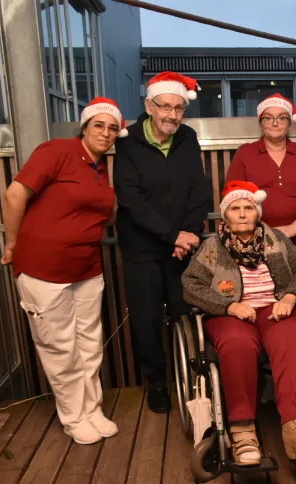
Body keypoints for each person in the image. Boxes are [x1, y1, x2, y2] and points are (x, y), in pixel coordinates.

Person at [0, 97, 127, 444]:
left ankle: (92, 409)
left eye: (112, 127)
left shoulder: (100, 168)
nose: (105, 132)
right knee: (60, 348)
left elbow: (99, 212)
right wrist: (11, 245)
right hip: (43, 268)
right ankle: (73, 418)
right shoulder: (56, 150)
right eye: (98, 125)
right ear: (84, 127)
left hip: (86, 267)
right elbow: (14, 196)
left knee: (89, 345)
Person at [182, 181, 296, 466]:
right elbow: (190, 284)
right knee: (237, 344)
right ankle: (242, 430)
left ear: (257, 213)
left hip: (275, 309)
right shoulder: (211, 247)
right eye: (234, 209)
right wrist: (228, 306)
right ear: (225, 216)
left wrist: (289, 297)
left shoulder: (276, 239)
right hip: (231, 314)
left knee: (289, 337)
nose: (241, 214)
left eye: (247, 208)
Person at [113, 71, 211, 413]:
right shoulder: (126, 141)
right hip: (142, 247)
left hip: (181, 246)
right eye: (165, 107)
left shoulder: (187, 137)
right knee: (146, 318)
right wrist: (172, 235)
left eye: (178, 108)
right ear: (149, 106)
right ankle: (156, 382)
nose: (172, 114)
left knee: (185, 312)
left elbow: (200, 192)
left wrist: (188, 234)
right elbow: (130, 198)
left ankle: (194, 379)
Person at [225, 94, 296, 253]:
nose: (275, 123)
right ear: (260, 122)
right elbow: (232, 197)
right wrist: (264, 231)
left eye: (282, 118)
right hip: (256, 237)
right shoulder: (245, 152)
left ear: (289, 123)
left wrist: (294, 228)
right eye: (268, 118)